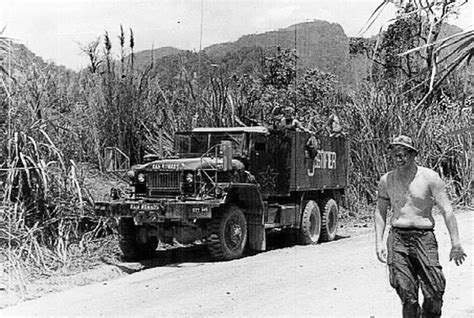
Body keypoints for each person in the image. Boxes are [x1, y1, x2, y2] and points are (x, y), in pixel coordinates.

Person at [374, 135, 467, 318]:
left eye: (403, 153)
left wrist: (456, 244)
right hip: (398, 237)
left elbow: (447, 211)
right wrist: (379, 242)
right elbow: (380, 212)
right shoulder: (387, 180)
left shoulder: (430, 178)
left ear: (413, 154)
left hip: (424, 237)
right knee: (407, 295)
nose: (399, 158)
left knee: (434, 292)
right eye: (395, 154)